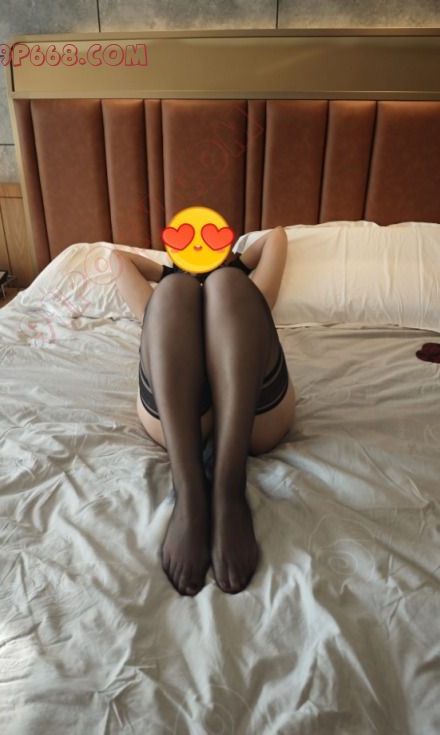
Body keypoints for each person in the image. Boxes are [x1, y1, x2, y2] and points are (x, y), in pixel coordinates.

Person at [111, 225, 296, 596]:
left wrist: (233, 263)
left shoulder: (243, 285)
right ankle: (190, 491)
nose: (200, 245)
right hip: (179, 415)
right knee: (173, 292)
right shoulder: (166, 291)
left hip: (252, 410)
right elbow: (118, 259)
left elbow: (276, 237)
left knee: (226, 286)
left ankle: (229, 486)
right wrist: (173, 270)